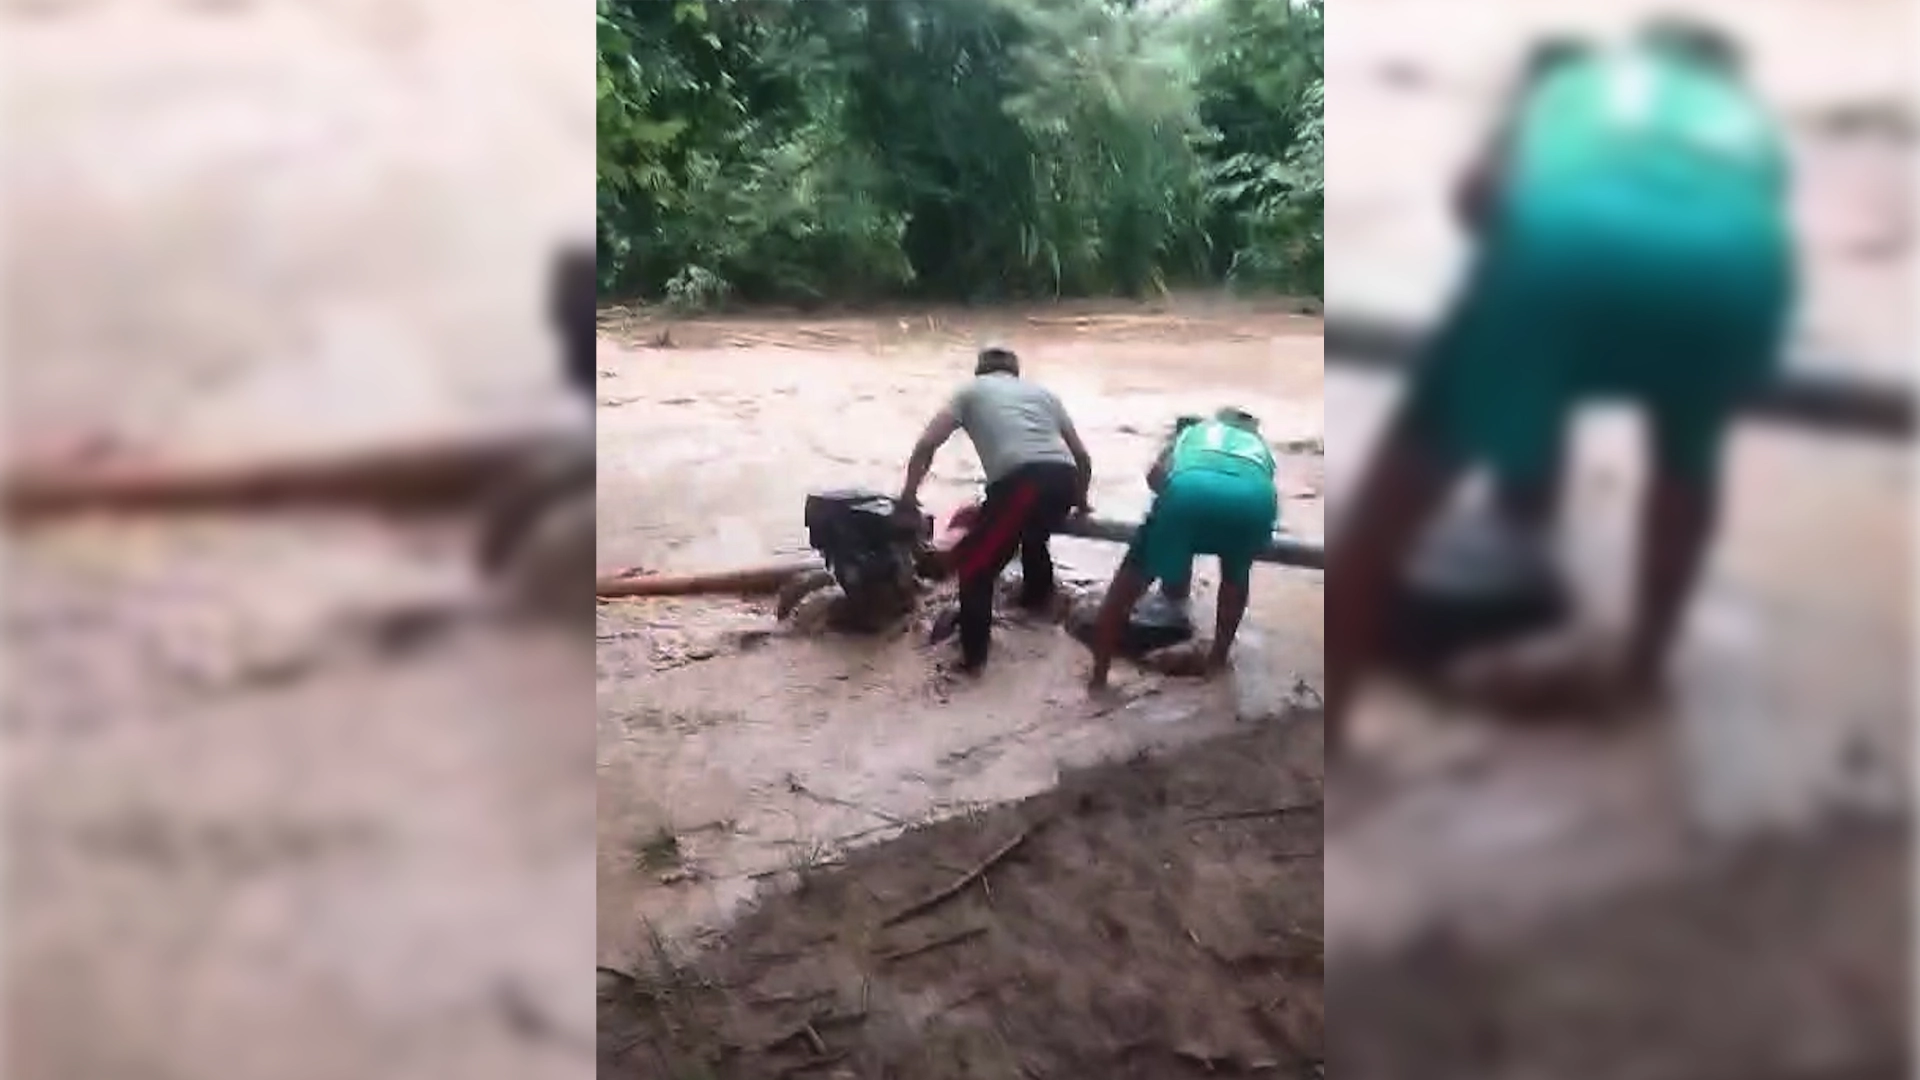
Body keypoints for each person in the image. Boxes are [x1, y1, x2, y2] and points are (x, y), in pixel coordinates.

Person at [1326, 17, 1796, 753]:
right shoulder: (1745, 123)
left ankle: (1331, 727)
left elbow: (1480, 196)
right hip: (1739, 273)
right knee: (1687, 462)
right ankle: (1640, 671)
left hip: (1555, 259)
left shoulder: (1578, 84)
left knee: (1383, 517)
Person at [897, 346, 1094, 673]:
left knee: (975, 569)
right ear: (1015, 373)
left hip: (1023, 483)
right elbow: (1083, 458)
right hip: (1064, 479)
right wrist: (1082, 501)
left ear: (980, 372)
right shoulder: (1043, 394)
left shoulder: (970, 391)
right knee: (1032, 532)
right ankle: (1036, 605)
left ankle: (972, 665)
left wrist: (907, 495)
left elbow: (928, 443)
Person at [1086, 407, 1279, 690]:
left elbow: (1155, 476)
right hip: (1257, 500)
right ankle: (1216, 662)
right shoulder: (1258, 445)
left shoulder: (1191, 432)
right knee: (1235, 574)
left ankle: (1098, 677)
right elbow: (1259, 479)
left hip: (1188, 491)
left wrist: (1177, 514)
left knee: (1125, 589)